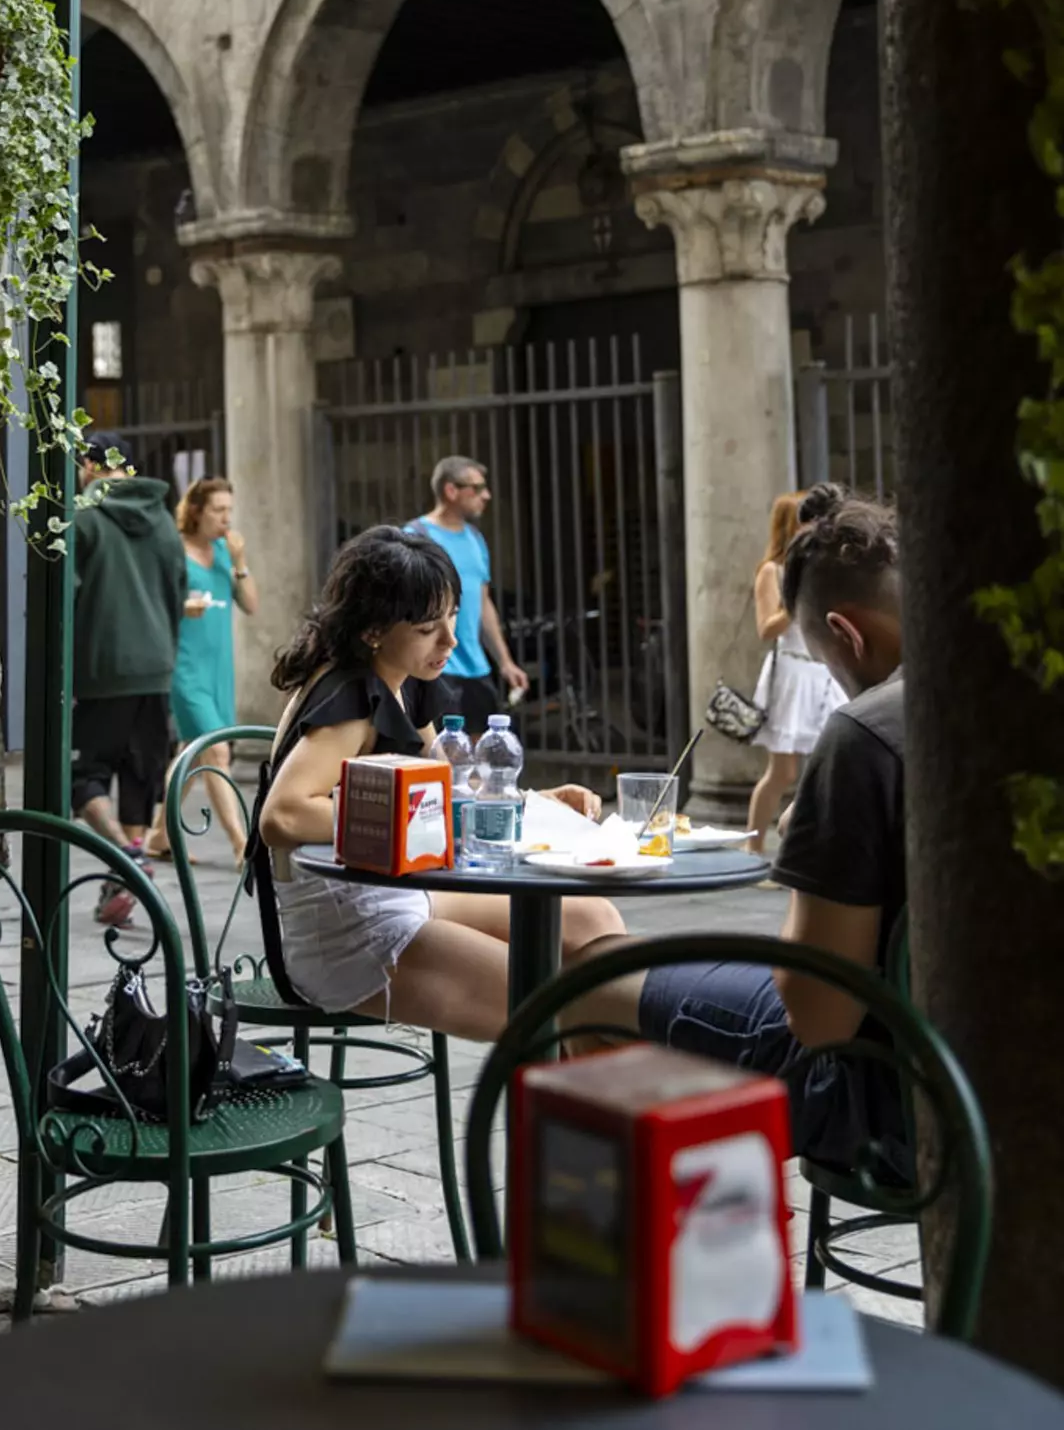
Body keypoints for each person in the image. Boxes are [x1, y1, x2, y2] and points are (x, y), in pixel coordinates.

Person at [577, 490, 909, 1176]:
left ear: (847, 635)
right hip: (1007, 1080)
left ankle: (674, 1257)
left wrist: (812, 846)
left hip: (892, 1100)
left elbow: (818, 1020)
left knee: (585, 983)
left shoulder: (866, 734)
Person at [254, 525, 626, 1040]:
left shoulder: (409, 679)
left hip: (401, 892)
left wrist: (529, 801)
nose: (452, 639)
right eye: (430, 627)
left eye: (452, 616)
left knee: (591, 920)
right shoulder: (351, 696)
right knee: (557, 1003)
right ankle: (571, 1098)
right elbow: (283, 816)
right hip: (345, 931)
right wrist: (403, 816)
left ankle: (585, 1081)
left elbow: (450, 787)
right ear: (373, 630)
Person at [70, 435, 186, 927]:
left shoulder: (83, 517)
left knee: (80, 774)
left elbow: (67, 595)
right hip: (156, 663)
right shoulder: (162, 519)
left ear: (90, 465)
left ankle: (125, 856)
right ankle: (122, 886)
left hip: (103, 666)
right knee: (141, 776)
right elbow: (178, 590)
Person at [151, 476, 258, 868]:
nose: (226, 518)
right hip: (185, 665)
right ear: (196, 510)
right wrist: (181, 606)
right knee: (217, 751)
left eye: (230, 509)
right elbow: (156, 602)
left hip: (218, 669)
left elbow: (250, 604)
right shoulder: (174, 549)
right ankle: (240, 843)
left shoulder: (225, 551)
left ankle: (160, 834)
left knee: (192, 755)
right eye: (218, 510)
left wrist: (241, 563)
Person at [746, 491, 847, 851]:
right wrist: (796, 596)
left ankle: (811, 843)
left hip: (822, 673)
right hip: (791, 674)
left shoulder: (819, 564)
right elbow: (766, 628)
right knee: (783, 772)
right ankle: (754, 847)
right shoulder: (772, 571)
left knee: (831, 759)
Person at [408, 456, 528, 742]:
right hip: (437, 668)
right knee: (439, 752)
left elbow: (483, 604)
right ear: (451, 491)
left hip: (477, 668)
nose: (486, 495)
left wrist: (506, 662)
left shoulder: (475, 538)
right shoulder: (415, 537)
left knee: (480, 754)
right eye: (477, 488)